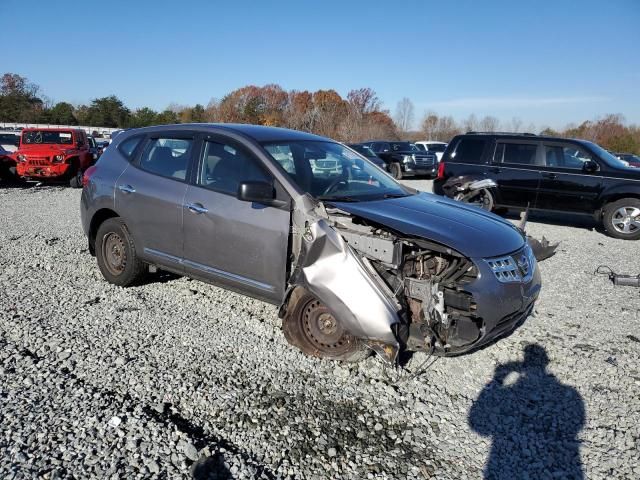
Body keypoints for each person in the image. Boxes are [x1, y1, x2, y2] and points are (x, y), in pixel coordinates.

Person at [469, 344, 585, 479]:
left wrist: (498, 379)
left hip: (503, 459)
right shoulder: (570, 393)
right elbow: (578, 424)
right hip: (561, 462)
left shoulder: (511, 392)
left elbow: (477, 425)